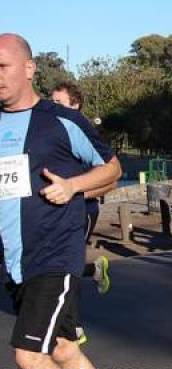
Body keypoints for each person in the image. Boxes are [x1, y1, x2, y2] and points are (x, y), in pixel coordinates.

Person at [0, 33, 121, 369]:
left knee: (29, 357)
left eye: (3, 66)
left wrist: (72, 186)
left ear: (29, 68)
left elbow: (112, 170)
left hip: (53, 257)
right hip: (14, 261)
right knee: (64, 350)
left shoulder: (62, 121)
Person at [51, 81, 113, 295]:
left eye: (59, 102)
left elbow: (111, 179)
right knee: (56, 265)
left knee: (67, 267)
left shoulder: (86, 139)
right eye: (52, 102)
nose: (53, 107)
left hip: (83, 209)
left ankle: (73, 326)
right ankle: (94, 269)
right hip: (56, 211)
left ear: (75, 105)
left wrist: (76, 191)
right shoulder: (53, 138)